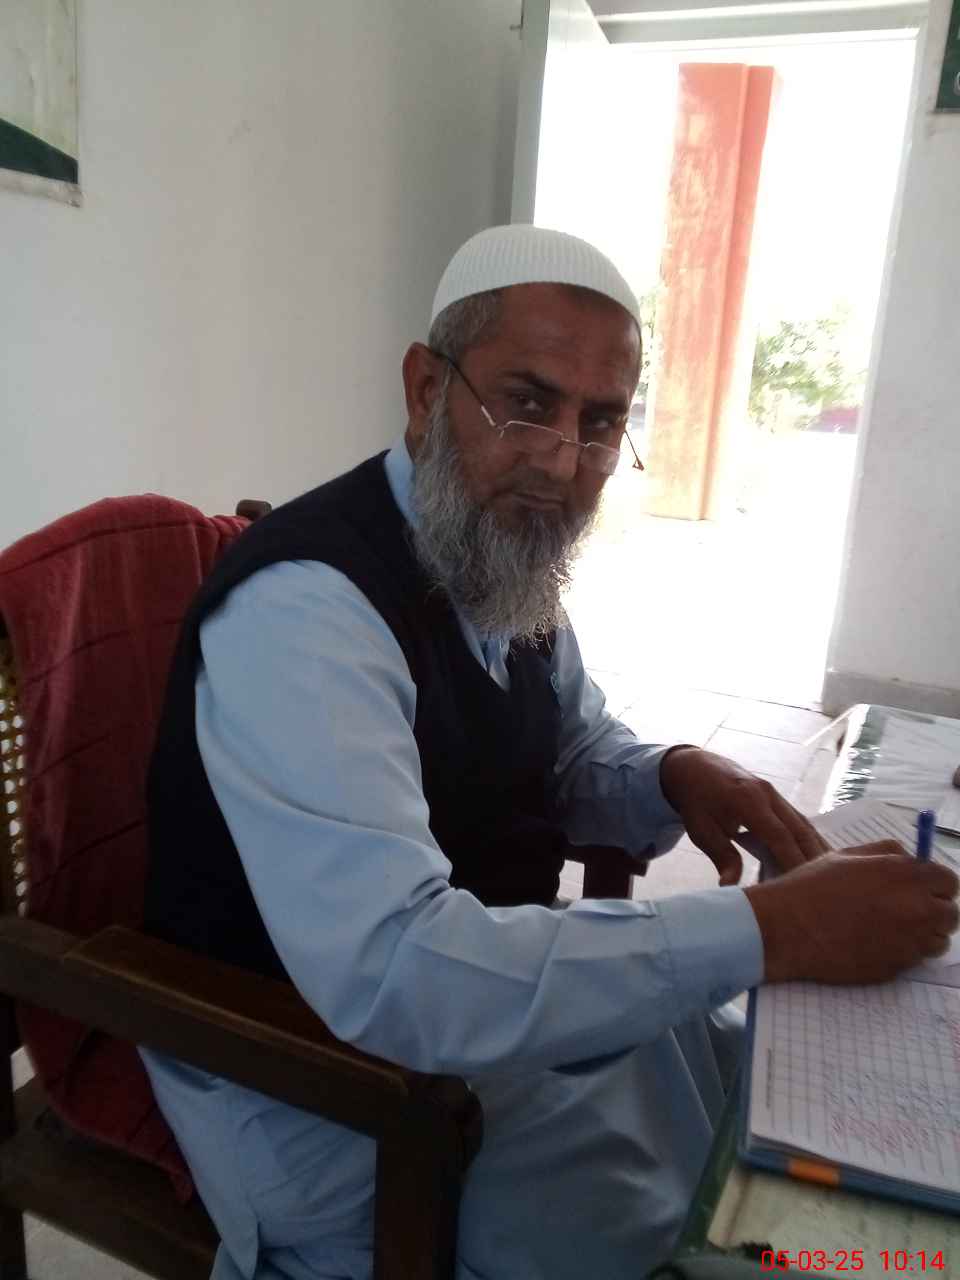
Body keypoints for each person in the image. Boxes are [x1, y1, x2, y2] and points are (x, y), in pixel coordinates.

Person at [141, 225, 958, 1280]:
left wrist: (672, 774)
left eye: (602, 422)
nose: (564, 463)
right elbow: (398, 970)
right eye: (526, 403)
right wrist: (775, 926)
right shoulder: (306, 612)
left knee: (763, 1117)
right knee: (710, 1231)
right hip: (320, 1088)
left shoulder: (490, 550)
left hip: (477, 1022)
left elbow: (567, 745)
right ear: (426, 389)